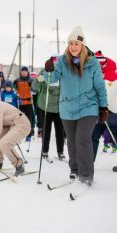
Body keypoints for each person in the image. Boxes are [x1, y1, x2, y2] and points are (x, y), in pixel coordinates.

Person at [43, 26, 108, 186]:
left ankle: (86, 175)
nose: (73, 47)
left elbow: (100, 86)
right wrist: (48, 71)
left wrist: (103, 107)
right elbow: (51, 80)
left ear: (82, 45)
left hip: (88, 106)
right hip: (67, 107)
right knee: (71, 142)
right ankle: (75, 171)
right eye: (70, 43)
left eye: (76, 44)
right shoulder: (61, 62)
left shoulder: (92, 63)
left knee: (83, 139)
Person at [32, 59, 65, 160]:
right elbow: (34, 88)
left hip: (59, 106)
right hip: (45, 106)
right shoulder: (43, 72)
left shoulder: (61, 73)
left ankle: (60, 151)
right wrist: (38, 80)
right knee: (46, 130)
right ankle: (45, 151)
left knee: (60, 131)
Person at [91, 51, 117, 160]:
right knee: (93, 137)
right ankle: (89, 164)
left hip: (112, 111)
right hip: (97, 112)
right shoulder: (91, 75)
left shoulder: (113, 75)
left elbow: (111, 93)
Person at [13, 66, 35, 141]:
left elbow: (35, 90)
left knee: (29, 119)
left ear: (27, 72)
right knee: (20, 120)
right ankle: (20, 134)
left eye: (25, 71)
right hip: (20, 103)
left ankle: (29, 134)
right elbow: (14, 90)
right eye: (22, 71)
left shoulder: (31, 80)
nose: (24, 72)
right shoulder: (17, 80)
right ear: (21, 72)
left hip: (28, 103)